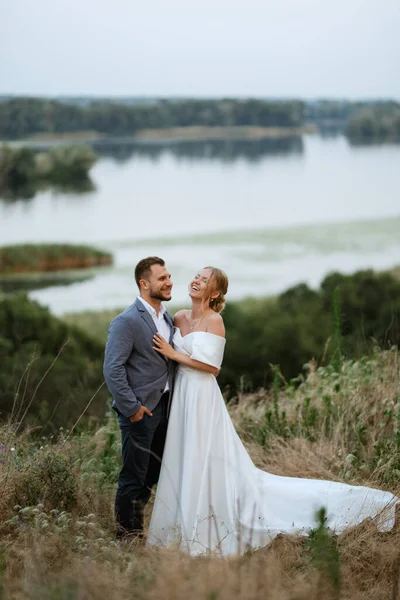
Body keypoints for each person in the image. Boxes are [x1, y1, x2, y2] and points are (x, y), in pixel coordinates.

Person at [147, 266, 399, 556]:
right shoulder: (179, 317)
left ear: (214, 292)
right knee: (185, 454)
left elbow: (212, 368)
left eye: (204, 280)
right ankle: (182, 521)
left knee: (204, 455)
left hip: (202, 396)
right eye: (197, 276)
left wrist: (174, 353)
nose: (196, 281)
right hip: (182, 395)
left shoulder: (215, 320)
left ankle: (207, 523)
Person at [103, 256, 178, 538]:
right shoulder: (127, 321)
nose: (169, 281)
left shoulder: (166, 316)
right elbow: (112, 368)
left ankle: (137, 525)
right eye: (162, 278)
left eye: (169, 276)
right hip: (140, 411)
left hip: (165, 409)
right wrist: (132, 408)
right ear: (144, 284)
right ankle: (127, 537)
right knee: (134, 475)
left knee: (152, 472)